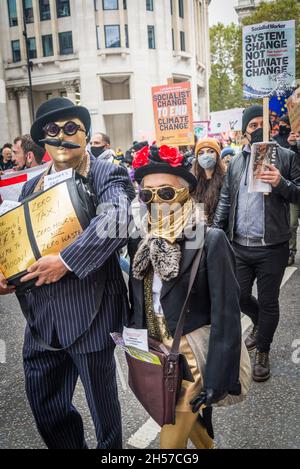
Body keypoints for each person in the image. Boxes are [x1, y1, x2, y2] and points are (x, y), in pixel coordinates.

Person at [0, 97, 135, 449]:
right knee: (45, 404)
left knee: (104, 411)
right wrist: (7, 275)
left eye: (71, 127)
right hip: (42, 319)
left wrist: (66, 261)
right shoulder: (31, 188)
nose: (62, 135)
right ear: (42, 140)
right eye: (53, 130)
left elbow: (118, 219)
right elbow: (20, 243)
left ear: (86, 134)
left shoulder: (107, 172)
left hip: (91, 312)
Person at [128, 144, 242, 449]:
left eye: (165, 193)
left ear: (184, 195)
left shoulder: (210, 240)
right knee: (194, 431)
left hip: (192, 356)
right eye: (146, 194)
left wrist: (219, 378)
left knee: (170, 442)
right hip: (157, 355)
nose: (156, 202)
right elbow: (139, 301)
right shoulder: (140, 240)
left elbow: (227, 316)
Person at [213, 104, 300, 382]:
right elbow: (226, 199)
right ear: (244, 132)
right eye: (253, 125)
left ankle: (263, 349)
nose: (259, 129)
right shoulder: (236, 162)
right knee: (238, 296)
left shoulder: (286, 157)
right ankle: (260, 324)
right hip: (239, 246)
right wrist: (215, 233)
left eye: (265, 123)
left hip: (272, 247)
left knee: (269, 300)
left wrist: (281, 182)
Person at [194, 138, 226, 226]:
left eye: (211, 151)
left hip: (219, 229)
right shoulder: (194, 181)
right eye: (201, 153)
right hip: (200, 230)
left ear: (217, 155)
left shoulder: (225, 179)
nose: (206, 156)